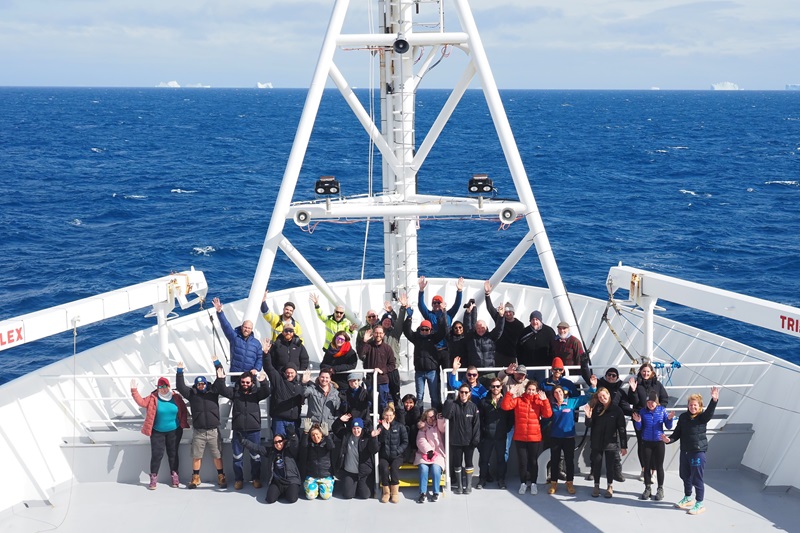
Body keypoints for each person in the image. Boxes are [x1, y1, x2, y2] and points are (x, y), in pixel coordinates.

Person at [213, 360, 271, 489]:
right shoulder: (235, 393)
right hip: (238, 431)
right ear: (240, 382)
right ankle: (239, 480)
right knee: (237, 457)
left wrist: (263, 381)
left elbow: (266, 392)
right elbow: (222, 390)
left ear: (252, 382)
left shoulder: (256, 394)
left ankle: (256, 478)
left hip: (254, 431)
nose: (245, 384)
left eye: (247, 382)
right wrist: (221, 378)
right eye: (243, 382)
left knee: (255, 457)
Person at [663, 386, 719, 515]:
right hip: (685, 452)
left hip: (697, 452)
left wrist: (714, 400)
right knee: (685, 475)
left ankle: (700, 503)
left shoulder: (702, 417)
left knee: (696, 479)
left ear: (699, 406)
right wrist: (668, 440)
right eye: (690, 405)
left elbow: (709, 412)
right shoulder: (683, 417)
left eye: (695, 405)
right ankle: (688, 498)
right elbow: (677, 433)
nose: (692, 407)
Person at [131, 376, 189, 489]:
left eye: (165, 386)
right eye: (160, 387)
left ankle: (174, 476)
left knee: (173, 454)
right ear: (157, 388)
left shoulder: (176, 397)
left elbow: (183, 411)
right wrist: (134, 390)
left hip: (174, 431)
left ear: (169, 386)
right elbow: (142, 402)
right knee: (157, 455)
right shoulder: (153, 397)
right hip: (157, 432)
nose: (163, 389)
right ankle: (153, 478)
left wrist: (182, 424)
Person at [175, 362, 227, 489]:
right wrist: (180, 372)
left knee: (217, 455)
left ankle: (221, 476)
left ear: (206, 384)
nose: (201, 386)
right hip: (199, 432)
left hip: (213, 431)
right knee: (197, 456)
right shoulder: (192, 394)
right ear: (196, 385)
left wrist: (217, 364)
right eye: (198, 384)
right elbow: (180, 387)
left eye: (203, 383)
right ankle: (196, 478)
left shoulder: (213, 391)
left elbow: (220, 380)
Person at [578, 366, 630, 482]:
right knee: (595, 452)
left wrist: (635, 413)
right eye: (609, 375)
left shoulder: (620, 392)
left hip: (612, 424)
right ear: (605, 376)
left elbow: (626, 407)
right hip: (598, 422)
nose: (611, 377)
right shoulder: (598, 388)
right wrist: (584, 362)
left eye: (614, 375)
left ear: (617, 378)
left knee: (614, 453)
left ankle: (617, 472)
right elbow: (587, 377)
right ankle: (593, 471)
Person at [546, 377, 596, 495]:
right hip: (555, 438)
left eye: (560, 392)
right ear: (553, 395)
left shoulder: (571, 402)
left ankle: (569, 483)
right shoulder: (551, 405)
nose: (558, 394)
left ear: (563, 393)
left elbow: (587, 397)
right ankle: (554, 483)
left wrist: (593, 387)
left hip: (568, 438)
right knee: (554, 461)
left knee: (569, 461)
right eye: (556, 393)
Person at [501, 379, 552, 495]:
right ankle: (523, 483)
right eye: (529, 389)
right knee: (523, 462)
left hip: (534, 437)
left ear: (536, 391)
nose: (531, 392)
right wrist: (509, 393)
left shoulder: (539, 402)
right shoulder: (518, 400)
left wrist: (545, 401)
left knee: (533, 462)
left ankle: (533, 484)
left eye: (533, 390)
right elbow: (505, 406)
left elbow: (547, 414)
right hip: (520, 437)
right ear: (525, 389)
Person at [402, 293, 447, 410]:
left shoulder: (434, 338)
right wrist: (409, 317)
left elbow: (443, 331)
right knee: (420, 397)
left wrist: (442, 314)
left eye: (427, 329)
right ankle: (419, 418)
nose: (425, 331)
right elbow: (407, 331)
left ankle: (436, 417)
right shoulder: (416, 337)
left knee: (434, 397)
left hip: (432, 372)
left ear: (430, 329)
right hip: (419, 372)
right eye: (422, 329)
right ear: (420, 329)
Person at [628, 362, 670, 481]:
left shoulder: (657, 385)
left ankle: (654, 470)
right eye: (643, 371)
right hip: (640, 417)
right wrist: (633, 390)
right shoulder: (637, 384)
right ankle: (644, 469)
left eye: (648, 371)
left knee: (655, 443)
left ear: (652, 372)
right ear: (640, 372)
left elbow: (664, 398)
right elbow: (633, 401)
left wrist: (659, 409)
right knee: (642, 443)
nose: (645, 373)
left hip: (655, 418)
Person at [584, 387, 628, 498]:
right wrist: (588, 417)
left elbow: (622, 429)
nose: (602, 398)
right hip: (597, 442)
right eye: (600, 397)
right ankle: (596, 486)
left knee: (610, 466)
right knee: (596, 466)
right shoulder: (596, 409)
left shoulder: (617, 410)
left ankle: (609, 486)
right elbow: (589, 425)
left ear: (608, 395)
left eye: (604, 396)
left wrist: (623, 446)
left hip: (611, 443)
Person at [633, 390, 675, 501]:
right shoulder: (642, 411)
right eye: (648, 402)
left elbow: (669, 426)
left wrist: (670, 419)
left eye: (653, 402)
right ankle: (647, 488)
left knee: (659, 466)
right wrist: (638, 421)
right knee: (646, 466)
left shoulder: (662, 411)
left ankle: (660, 489)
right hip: (646, 442)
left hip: (659, 442)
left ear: (657, 403)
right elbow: (639, 428)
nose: (650, 404)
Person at [241, 427, 302, 503]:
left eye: (280, 441)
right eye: (275, 442)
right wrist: (243, 441)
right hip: (277, 481)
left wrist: (293, 435)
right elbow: (256, 448)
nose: (278, 444)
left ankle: (288, 491)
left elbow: (295, 444)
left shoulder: (290, 450)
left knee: (292, 499)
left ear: (284, 441)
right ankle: (281, 491)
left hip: (291, 480)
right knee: (270, 499)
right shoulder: (271, 451)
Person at [443, 383, 481, 494]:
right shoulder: (453, 405)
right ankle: (459, 486)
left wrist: (476, 439)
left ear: (469, 394)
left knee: (469, 462)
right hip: (456, 441)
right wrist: (448, 402)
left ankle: (468, 486)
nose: (463, 394)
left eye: (466, 392)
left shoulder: (473, 407)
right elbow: (446, 415)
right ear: (458, 393)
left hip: (469, 442)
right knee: (457, 463)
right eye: (461, 392)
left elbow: (476, 425)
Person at [417, 275, 464, 362]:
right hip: (434, 349)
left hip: (447, 349)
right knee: (436, 373)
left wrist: (459, 291)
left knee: (447, 371)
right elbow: (421, 305)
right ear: (432, 305)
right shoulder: (429, 315)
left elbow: (457, 304)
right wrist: (421, 290)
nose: (436, 304)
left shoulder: (449, 314)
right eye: (434, 303)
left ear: (443, 303)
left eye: (439, 302)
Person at [477, 378, 513, 489]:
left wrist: (505, 429)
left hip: (501, 436)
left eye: (497, 386)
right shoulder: (484, 401)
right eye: (493, 386)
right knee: (484, 459)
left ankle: (501, 480)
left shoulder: (506, 401)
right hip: (487, 436)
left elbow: (511, 418)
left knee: (501, 460)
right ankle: (482, 480)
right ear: (490, 387)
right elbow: (480, 419)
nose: (495, 388)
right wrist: (484, 430)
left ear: (501, 387)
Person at [333, 415, 379, 500]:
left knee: (365, 495)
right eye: (354, 428)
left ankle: (359, 485)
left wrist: (373, 438)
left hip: (364, 473)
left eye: (358, 428)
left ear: (362, 428)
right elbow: (335, 429)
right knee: (348, 495)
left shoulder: (367, 437)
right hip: (349, 472)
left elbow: (374, 450)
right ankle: (353, 485)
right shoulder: (346, 436)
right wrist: (339, 420)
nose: (356, 430)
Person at [262, 344, 304, 437]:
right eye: (287, 372)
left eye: (292, 373)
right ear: (284, 373)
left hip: (294, 421)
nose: (289, 375)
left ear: (296, 373)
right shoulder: (278, 380)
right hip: (279, 420)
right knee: (279, 444)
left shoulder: (300, 385)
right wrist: (265, 354)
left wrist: (305, 383)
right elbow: (269, 368)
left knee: (293, 446)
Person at [212, 297, 262, 376]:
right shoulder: (234, 337)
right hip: (235, 374)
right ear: (241, 327)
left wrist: (256, 369)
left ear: (251, 329)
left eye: (249, 328)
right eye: (245, 327)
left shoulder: (256, 343)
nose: (246, 329)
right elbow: (226, 326)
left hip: (249, 376)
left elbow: (260, 358)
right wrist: (219, 312)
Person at [483, 280, 525, 367]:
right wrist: (487, 294)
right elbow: (490, 308)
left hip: (512, 356)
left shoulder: (519, 325)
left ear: (513, 313)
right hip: (498, 353)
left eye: (510, 312)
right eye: (506, 312)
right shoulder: (500, 319)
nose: (508, 313)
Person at [373, 406, 408, 503]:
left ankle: (395, 492)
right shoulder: (380, 427)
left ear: (394, 415)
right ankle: (386, 492)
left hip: (397, 456)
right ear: (383, 416)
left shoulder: (400, 426)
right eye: (386, 415)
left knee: (394, 468)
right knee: (384, 469)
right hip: (385, 456)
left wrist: (397, 451)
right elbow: (379, 441)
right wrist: (385, 430)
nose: (388, 417)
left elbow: (405, 442)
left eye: (390, 415)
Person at [359, 325, 397, 413]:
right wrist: (364, 341)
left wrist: (382, 370)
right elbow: (361, 354)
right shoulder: (368, 346)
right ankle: (370, 424)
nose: (378, 335)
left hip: (382, 381)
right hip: (370, 380)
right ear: (373, 334)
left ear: (383, 334)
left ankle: (382, 423)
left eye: (380, 333)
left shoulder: (387, 348)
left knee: (383, 403)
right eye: (376, 333)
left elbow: (392, 365)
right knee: (369, 403)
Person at [414, 408, 447, 503]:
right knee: (423, 469)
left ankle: (436, 492)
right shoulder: (423, 427)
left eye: (433, 417)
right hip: (424, 454)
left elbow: (442, 428)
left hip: (438, 454)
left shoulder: (438, 426)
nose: (431, 419)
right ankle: (422, 493)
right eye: (429, 417)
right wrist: (428, 450)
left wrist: (440, 419)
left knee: (436, 469)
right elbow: (420, 440)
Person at [462, 299, 505, 372]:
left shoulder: (491, 337)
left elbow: (499, 329)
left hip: (489, 372)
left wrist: (501, 316)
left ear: (486, 327)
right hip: (474, 373)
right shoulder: (471, 338)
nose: (480, 330)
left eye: (482, 328)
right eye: (478, 328)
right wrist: (468, 312)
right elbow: (466, 326)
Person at [516, 310, 555, 383]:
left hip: (544, 368)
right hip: (528, 368)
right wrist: (522, 364)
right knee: (529, 388)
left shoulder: (549, 331)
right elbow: (519, 349)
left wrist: (551, 365)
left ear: (540, 320)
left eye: (537, 319)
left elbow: (554, 349)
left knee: (543, 387)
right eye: (533, 319)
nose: (535, 322)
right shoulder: (524, 332)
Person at [298, 424, 336, 500]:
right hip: (312, 476)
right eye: (313, 435)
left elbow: (332, 447)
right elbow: (303, 446)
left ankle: (324, 486)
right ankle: (314, 487)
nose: (315, 437)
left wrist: (327, 435)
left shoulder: (326, 444)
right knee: (310, 496)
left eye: (317, 434)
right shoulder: (309, 445)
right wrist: (305, 433)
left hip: (325, 475)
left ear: (321, 434)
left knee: (326, 496)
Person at [301, 367, 341, 434]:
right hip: (313, 427)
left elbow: (337, 410)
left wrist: (334, 422)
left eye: (327, 377)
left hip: (328, 428)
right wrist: (304, 383)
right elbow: (303, 393)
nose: (324, 379)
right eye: (322, 377)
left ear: (330, 379)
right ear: (319, 377)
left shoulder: (336, 393)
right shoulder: (312, 389)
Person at [397, 394, 423, 463]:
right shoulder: (400, 410)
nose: (408, 405)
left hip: (413, 431)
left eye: (411, 403)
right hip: (403, 429)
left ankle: (413, 451)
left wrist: (416, 409)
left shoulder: (415, 410)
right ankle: (404, 453)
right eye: (406, 402)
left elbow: (416, 420)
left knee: (413, 428)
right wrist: (401, 411)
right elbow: (401, 423)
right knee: (404, 428)